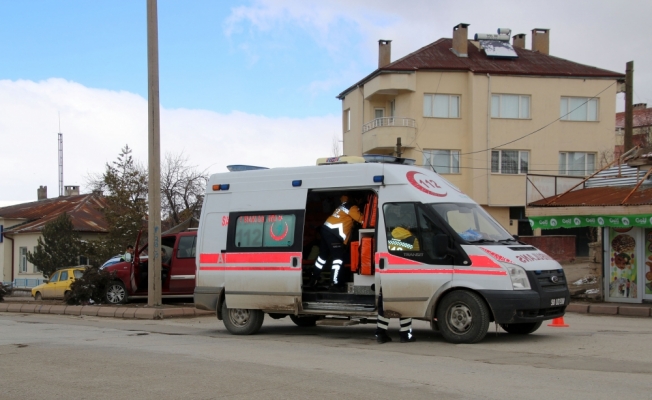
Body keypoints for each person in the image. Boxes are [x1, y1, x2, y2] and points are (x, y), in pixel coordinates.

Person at [376, 206, 418, 343]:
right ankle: (405, 335)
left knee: (385, 307)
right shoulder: (413, 240)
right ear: (408, 227)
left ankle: (381, 334)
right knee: (405, 306)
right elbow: (417, 259)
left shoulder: (388, 237)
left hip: (387, 276)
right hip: (405, 276)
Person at [309, 195, 364, 290]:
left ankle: (313, 279)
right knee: (338, 258)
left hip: (326, 230)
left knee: (322, 257)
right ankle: (334, 283)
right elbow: (362, 219)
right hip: (334, 234)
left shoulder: (343, 206)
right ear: (357, 199)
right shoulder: (352, 207)